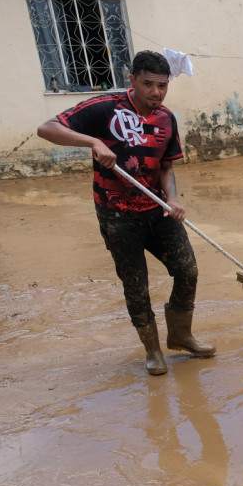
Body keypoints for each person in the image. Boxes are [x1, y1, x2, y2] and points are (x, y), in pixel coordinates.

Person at [37, 50, 212, 376]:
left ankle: (181, 335)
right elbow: (46, 129)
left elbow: (166, 166)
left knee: (187, 271)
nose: (155, 92)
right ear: (132, 79)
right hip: (117, 216)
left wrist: (172, 199)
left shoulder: (166, 119)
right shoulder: (104, 108)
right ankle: (153, 352)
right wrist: (93, 142)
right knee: (136, 285)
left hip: (157, 211)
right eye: (148, 83)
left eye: (162, 85)